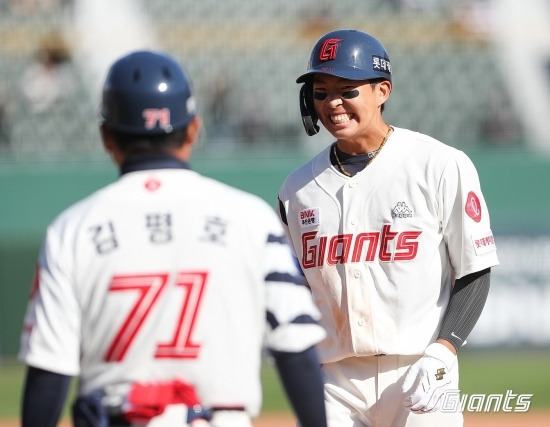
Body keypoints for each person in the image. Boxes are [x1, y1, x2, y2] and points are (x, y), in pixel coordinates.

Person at [18, 50, 328, 427]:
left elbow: (50, 370)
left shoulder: (72, 229)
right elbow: (295, 347)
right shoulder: (250, 218)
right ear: (194, 129)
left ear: (106, 136)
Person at [277, 29, 499, 427]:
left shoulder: (438, 164)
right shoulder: (296, 190)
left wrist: (443, 353)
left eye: (347, 89)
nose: (333, 103)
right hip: (334, 381)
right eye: (322, 91)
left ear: (383, 91)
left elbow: (475, 270)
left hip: (420, 370)